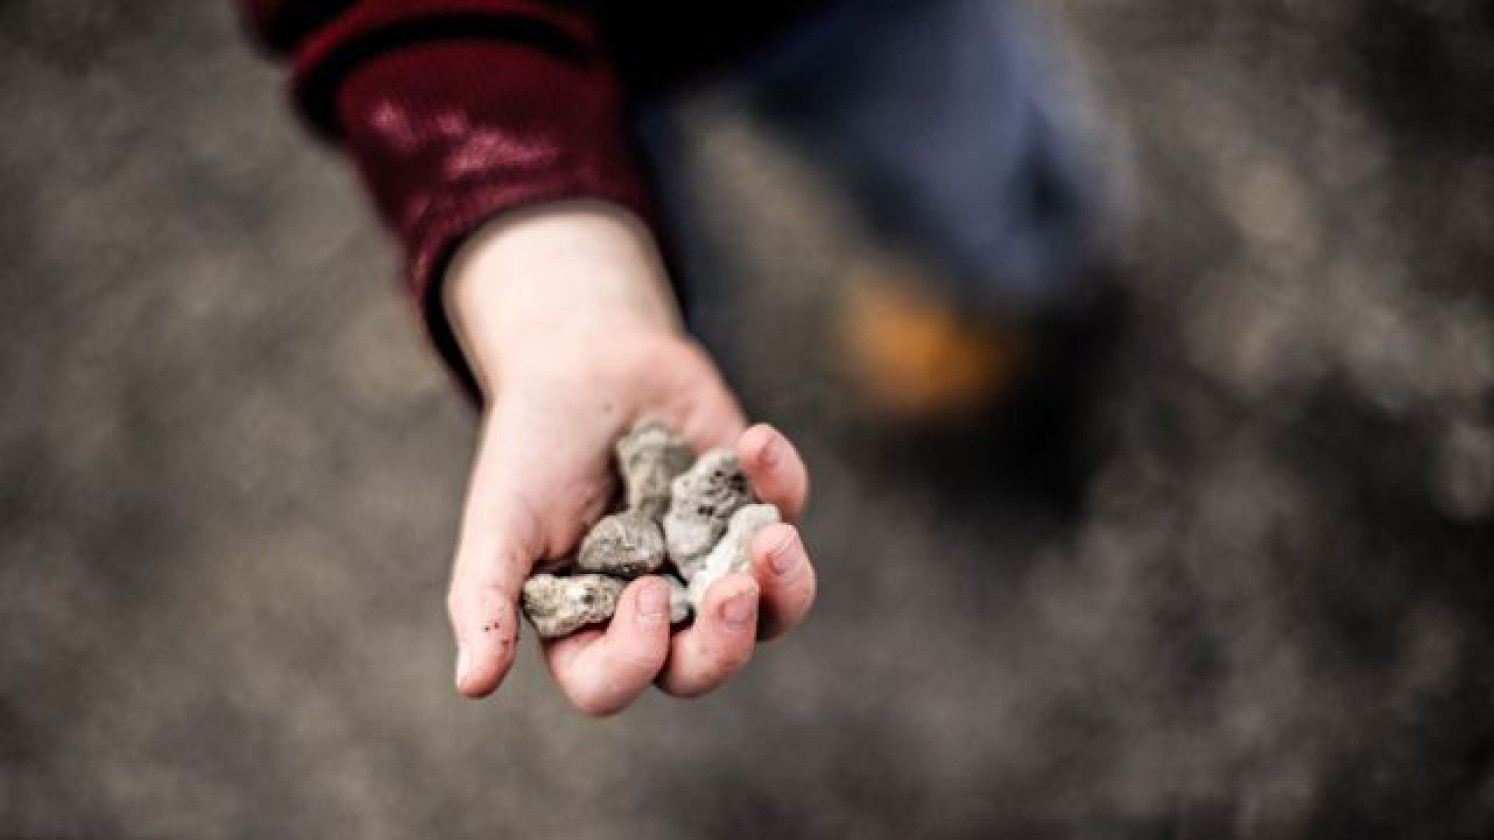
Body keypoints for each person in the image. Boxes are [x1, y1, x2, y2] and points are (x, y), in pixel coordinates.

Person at [239, 0, 1099, 715]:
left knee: (975, 179)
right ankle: (694, 341)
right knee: (664, 297)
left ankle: (1013, 297)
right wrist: (561, 306)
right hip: (555, 63)